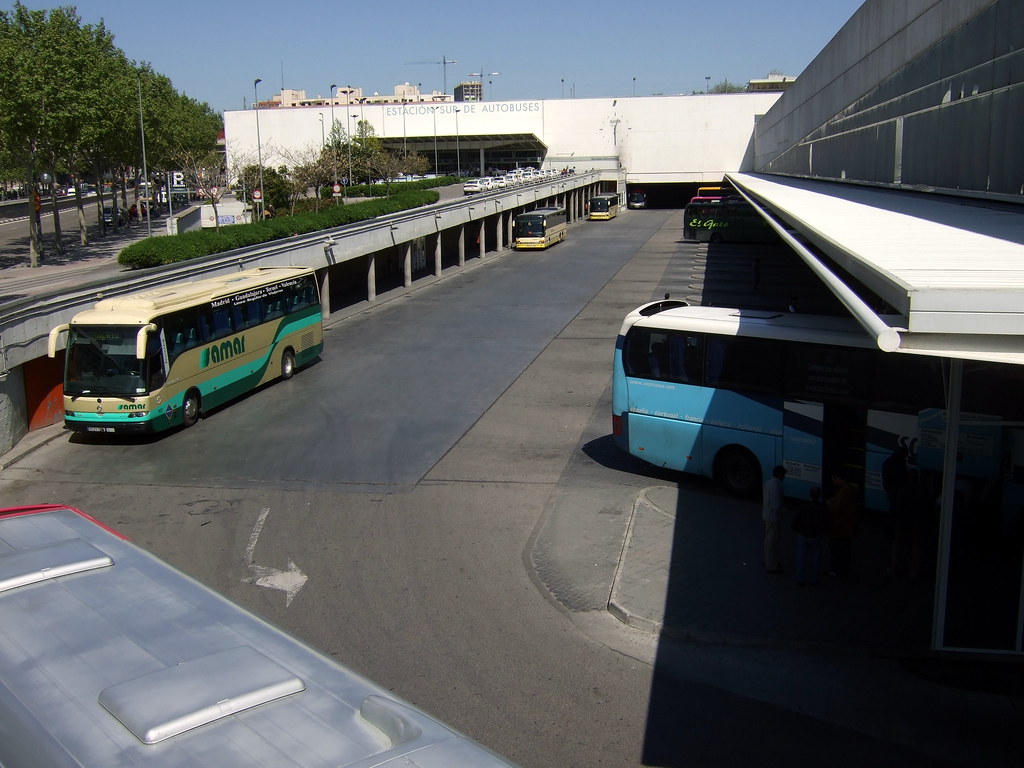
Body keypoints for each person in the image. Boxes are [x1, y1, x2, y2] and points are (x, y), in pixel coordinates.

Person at [791, 487, 830, 585]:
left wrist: (799, 530)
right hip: (816, 536)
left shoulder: (803, 507)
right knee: (816, 558)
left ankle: (800, 578)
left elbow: (795, 522)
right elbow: (826, 523)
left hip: (803, 535)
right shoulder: (822, 509)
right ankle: (814, 579)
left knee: (801, 557)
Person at [827, 470, 859, 577]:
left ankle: (836, 570)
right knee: (845, 550)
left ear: (839, 479)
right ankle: (844, 569)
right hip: (848, 526)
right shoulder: (852, 489)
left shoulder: (844, 492)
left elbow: (836, 510)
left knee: (837, 550)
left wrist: (830, 503)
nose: (834, 482)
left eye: (834, 480)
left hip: (839, 526)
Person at [762, 465, 787, 574]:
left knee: (768, 540)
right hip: (774, 517)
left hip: (767, 515)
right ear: (781, 475)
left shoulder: (768, 483)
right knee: (773, 541)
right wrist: (783, 511)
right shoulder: (777, 486)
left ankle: (768, 560)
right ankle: (771, 565)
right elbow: (776, 505)